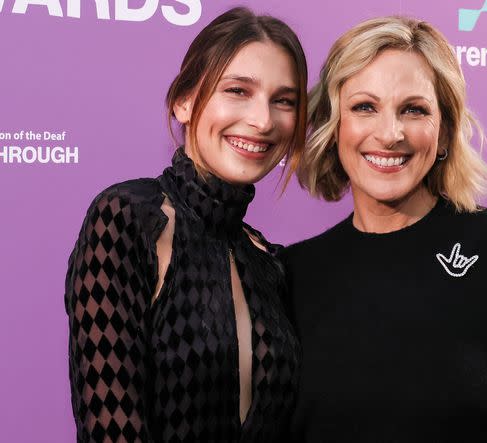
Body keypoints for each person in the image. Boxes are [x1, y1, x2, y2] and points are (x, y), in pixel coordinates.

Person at [281, 16, 487, 442]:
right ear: (333, 123)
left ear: (446, 130)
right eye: (365, 107)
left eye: (413, 110)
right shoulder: (292, 272)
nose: (390, 133)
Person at [64, 7, 307, 442]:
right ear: (185, 101)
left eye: (283, 100)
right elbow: (111, 426)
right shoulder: (127, 218)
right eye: (238, 90)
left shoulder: (270, 261)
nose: (263, 120)